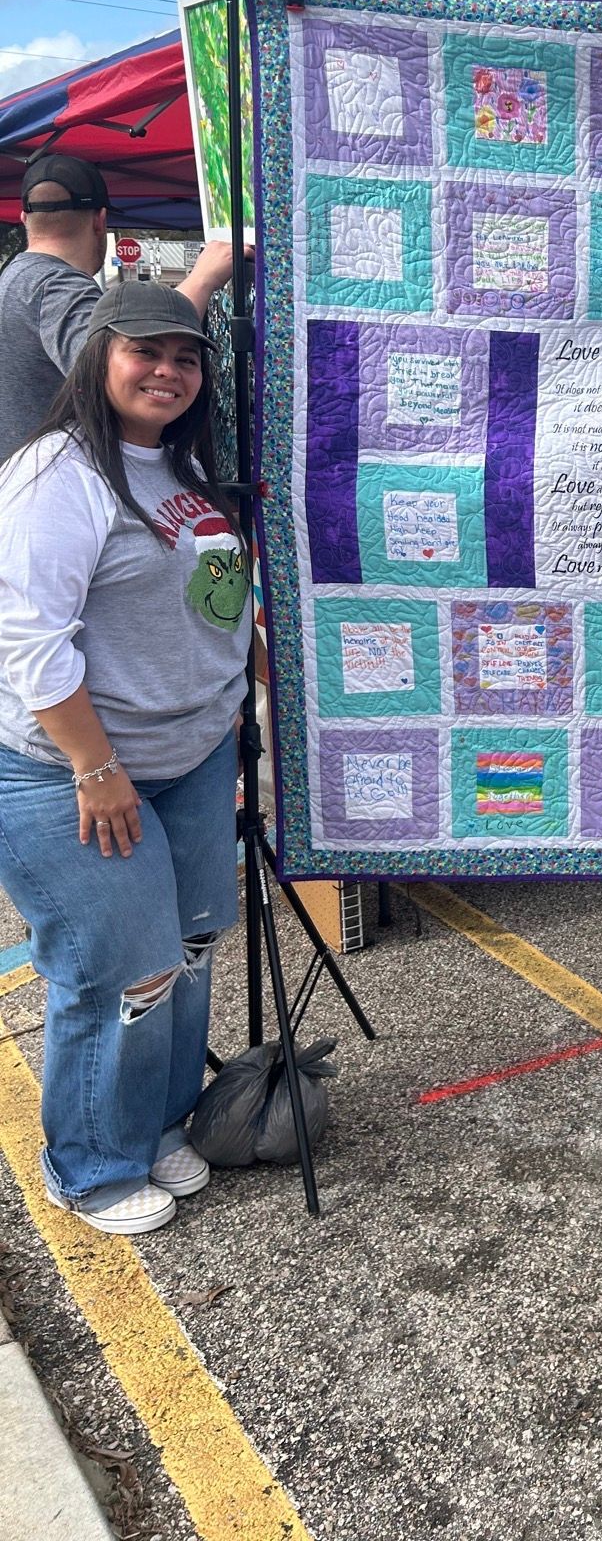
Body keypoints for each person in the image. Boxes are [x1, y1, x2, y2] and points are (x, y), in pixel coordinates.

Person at [0, 281, 250, 1235]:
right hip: (73, 773)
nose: (167, 371)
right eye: (145, 351)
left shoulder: (177, 465)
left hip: (187, 759)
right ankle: (93, 1166)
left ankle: (153, 1125)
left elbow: (204, 603)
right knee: (123, 975)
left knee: (186, 955)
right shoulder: (54, 476)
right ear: (97, 358)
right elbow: (31, 645)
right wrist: (95, 767)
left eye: (185, 357)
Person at [0, 153, 235, 462]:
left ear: (24, 219)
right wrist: (202, 280)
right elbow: (112, 371)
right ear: (100, 220)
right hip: (66, 485)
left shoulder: (12, 279)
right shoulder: (58, 286)